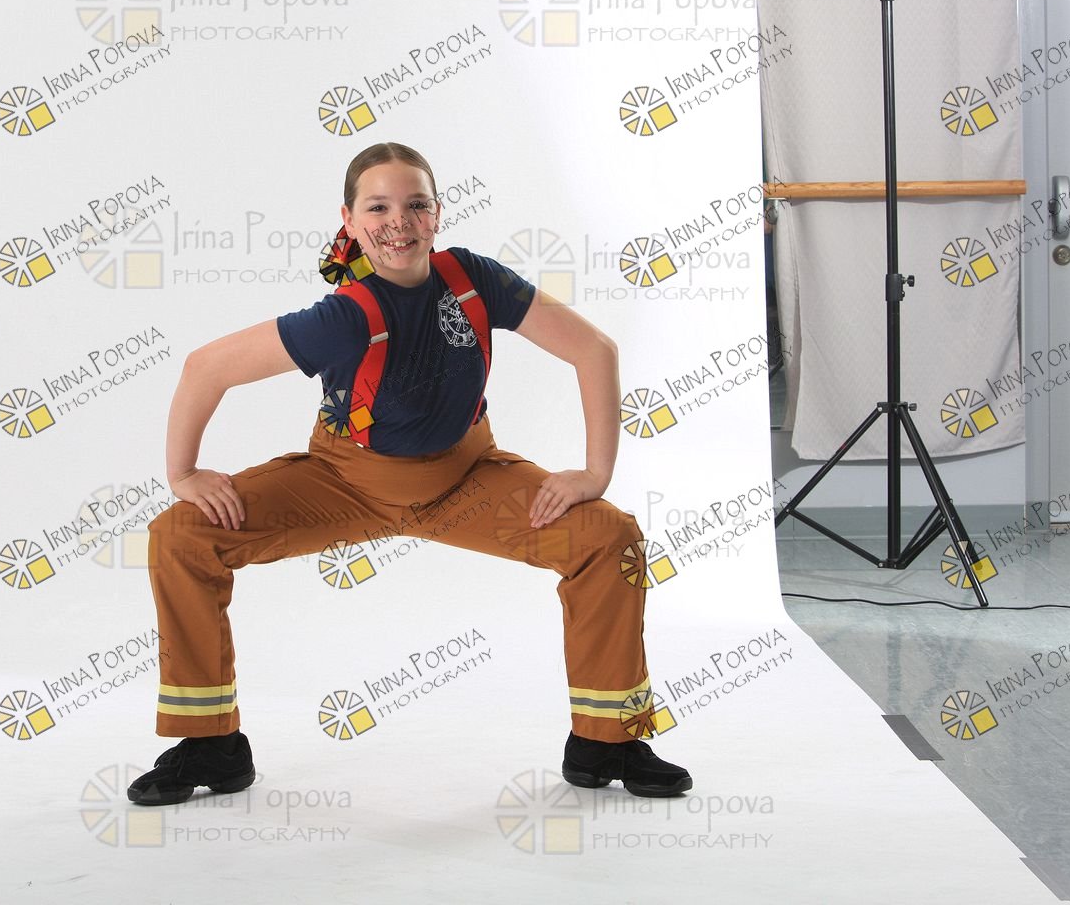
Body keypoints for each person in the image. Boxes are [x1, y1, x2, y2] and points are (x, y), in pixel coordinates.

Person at [129, 141, 690, 805]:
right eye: (378, 207)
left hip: (468, 478)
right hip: (343, 483)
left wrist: (595, 473)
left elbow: (594, 349)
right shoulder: (342, 317)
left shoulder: (474, 280)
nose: (399, 221)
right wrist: (183, 473)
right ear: (349, 219)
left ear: (437, 213)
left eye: (416, 204)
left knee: (608, 537)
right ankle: (210, 747)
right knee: (182, 535)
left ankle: (606, 742)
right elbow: (205, 368)